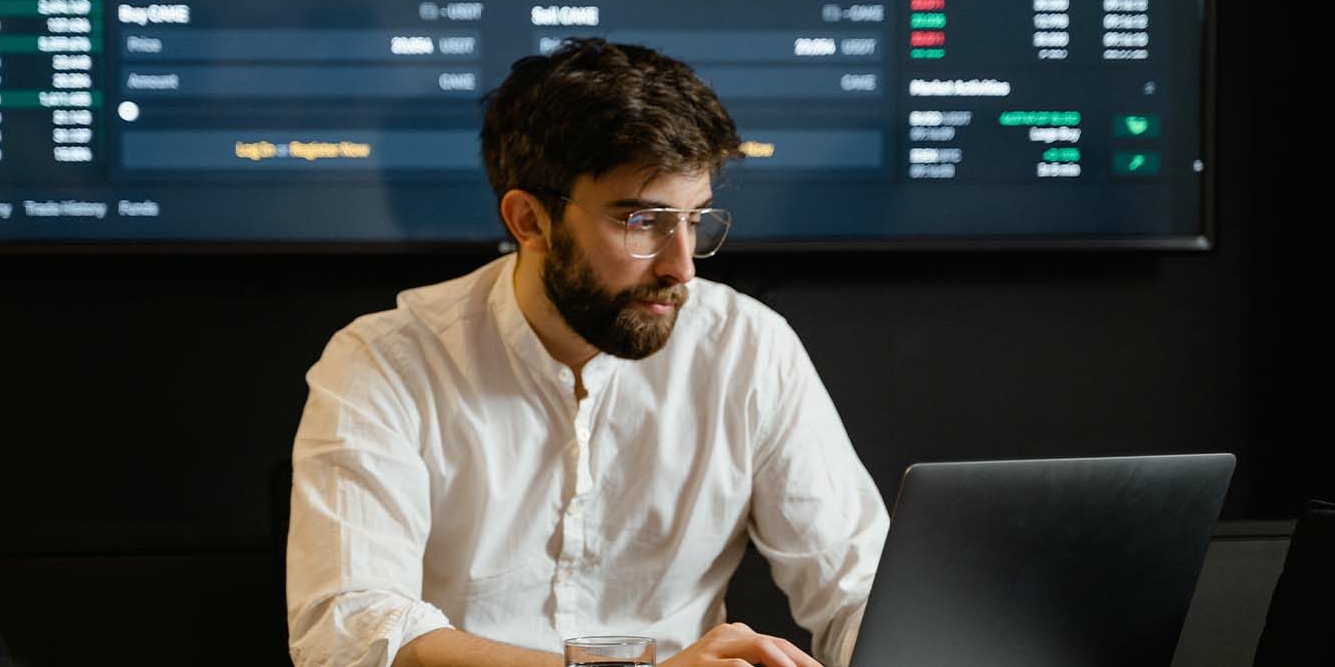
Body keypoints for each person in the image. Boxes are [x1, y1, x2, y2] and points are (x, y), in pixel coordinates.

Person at [287, 38, 888, 667]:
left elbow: (859, 590)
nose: (681, 267)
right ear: (530, 221)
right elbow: (351, 629)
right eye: (643, 223)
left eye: (695, 219)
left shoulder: (747, 347)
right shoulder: (384, 361)